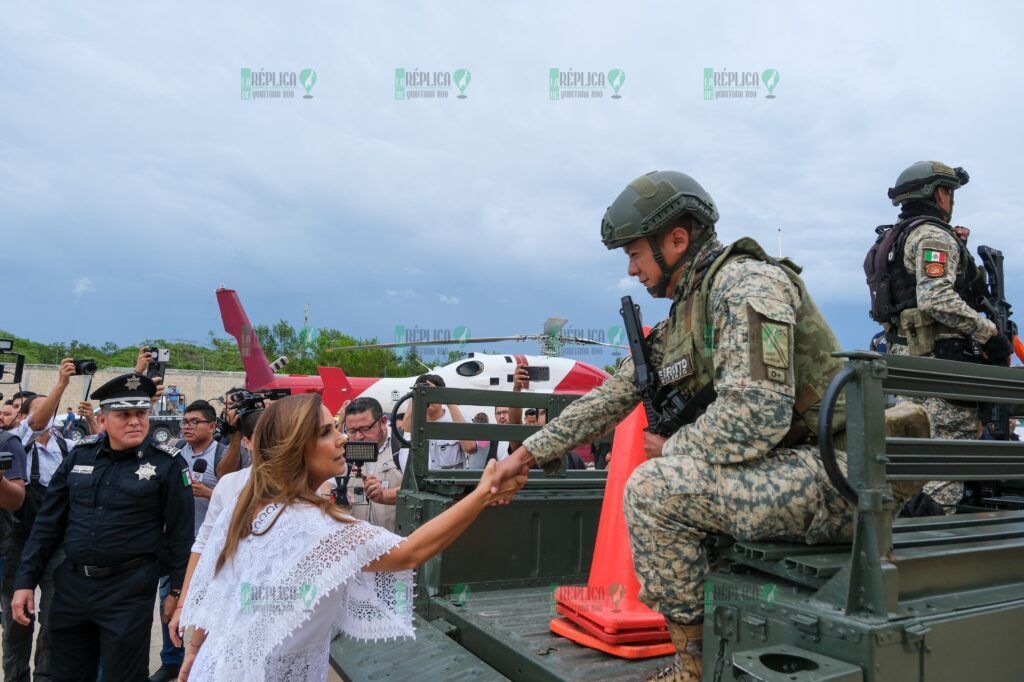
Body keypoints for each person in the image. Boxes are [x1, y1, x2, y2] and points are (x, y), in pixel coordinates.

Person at [490, 170, 906, 681]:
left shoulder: (750, 285)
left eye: (636, 253)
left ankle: (693, 669)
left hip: (845, 474)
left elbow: (756, 415)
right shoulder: (690, 308)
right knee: (667, 483)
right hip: (798, 466)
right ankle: (703, 656)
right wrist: (525, 455)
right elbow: (612, 395)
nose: (632, 269)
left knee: (655, 489)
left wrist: (672, 448)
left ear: (677, 239)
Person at [176, 394, 523, 681]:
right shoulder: (311, 525)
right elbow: (411, 552)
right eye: (327, 432)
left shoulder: (249, 502)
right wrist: (482, 494)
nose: (342, 438)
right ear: (296, 448)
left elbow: (223, 589)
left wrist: (195, 649)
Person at [10, 372, 195, 682]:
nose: (135, 421)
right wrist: (25, 580)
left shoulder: (167, 464)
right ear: (104, 420)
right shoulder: (80, 457)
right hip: (73, 586)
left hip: (129, 589)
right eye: (124, 414)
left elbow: (180, 534)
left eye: (141, 413)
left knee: (122, 676)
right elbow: (47, 525)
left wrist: (176, 591)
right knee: (65, 673)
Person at [870, 161, 1013, 514]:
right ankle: (926, 551)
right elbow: (936, 298)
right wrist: (990, 334)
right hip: (942, 363)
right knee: (944, 465)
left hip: (907, 362)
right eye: (950, 192)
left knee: (914, 457)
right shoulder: (932, 236)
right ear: (939, 193)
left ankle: (900, 538)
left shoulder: (896, 236)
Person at [151, 399, 223, 682]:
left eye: (195, 422)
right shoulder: (176, 453)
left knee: (213, 606)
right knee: (168, 602)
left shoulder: (227, 455)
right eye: (185, 422)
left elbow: (240, 498)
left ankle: (206, 662)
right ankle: (171, 660)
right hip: (178, 543)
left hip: (213, 545)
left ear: (213, 426)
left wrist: (209, 493)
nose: (188, 427)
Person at [342, 397, 403, 531]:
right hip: (358, 544)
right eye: (351, 431)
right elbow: (327, 488)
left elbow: (418, 490)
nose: (358, 437)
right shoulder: (343, 451)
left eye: (365, 429)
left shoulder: (403, 447)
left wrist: (385, 495)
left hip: (396, 543)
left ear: (382, 422)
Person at [398, 375, 477, 470]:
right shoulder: (416, 422)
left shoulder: (458, 418)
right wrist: (415, 396)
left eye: (432, 394)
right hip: (421, 482)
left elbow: (470, 447)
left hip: (450, 483)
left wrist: (447, 399)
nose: (428, 398)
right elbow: (404, 432)